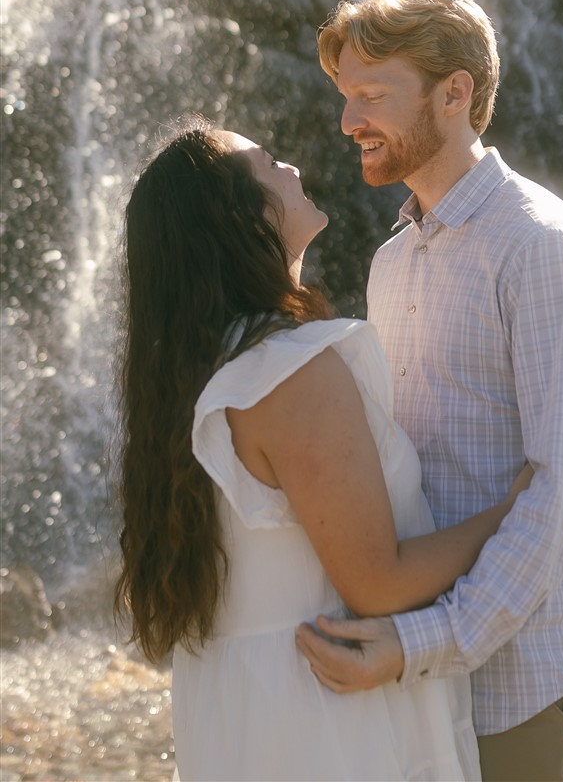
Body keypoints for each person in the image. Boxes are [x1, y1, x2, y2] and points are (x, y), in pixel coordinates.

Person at [295, 0, 563, 782]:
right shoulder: (391, 260)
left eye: (369, 96)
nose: (348, 122)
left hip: (520, 669)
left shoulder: (539, 244)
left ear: (453, 93)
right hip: (422, 664)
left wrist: (426, 641)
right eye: (344, 98)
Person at [113, 116, 533, 782]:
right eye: (267, 164)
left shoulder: (202, 370)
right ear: (238, 219)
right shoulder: (289, 370)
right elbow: (377, 583)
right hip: (325, 719)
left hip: (248, 708)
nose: (292, 169)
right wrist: (514, 508)